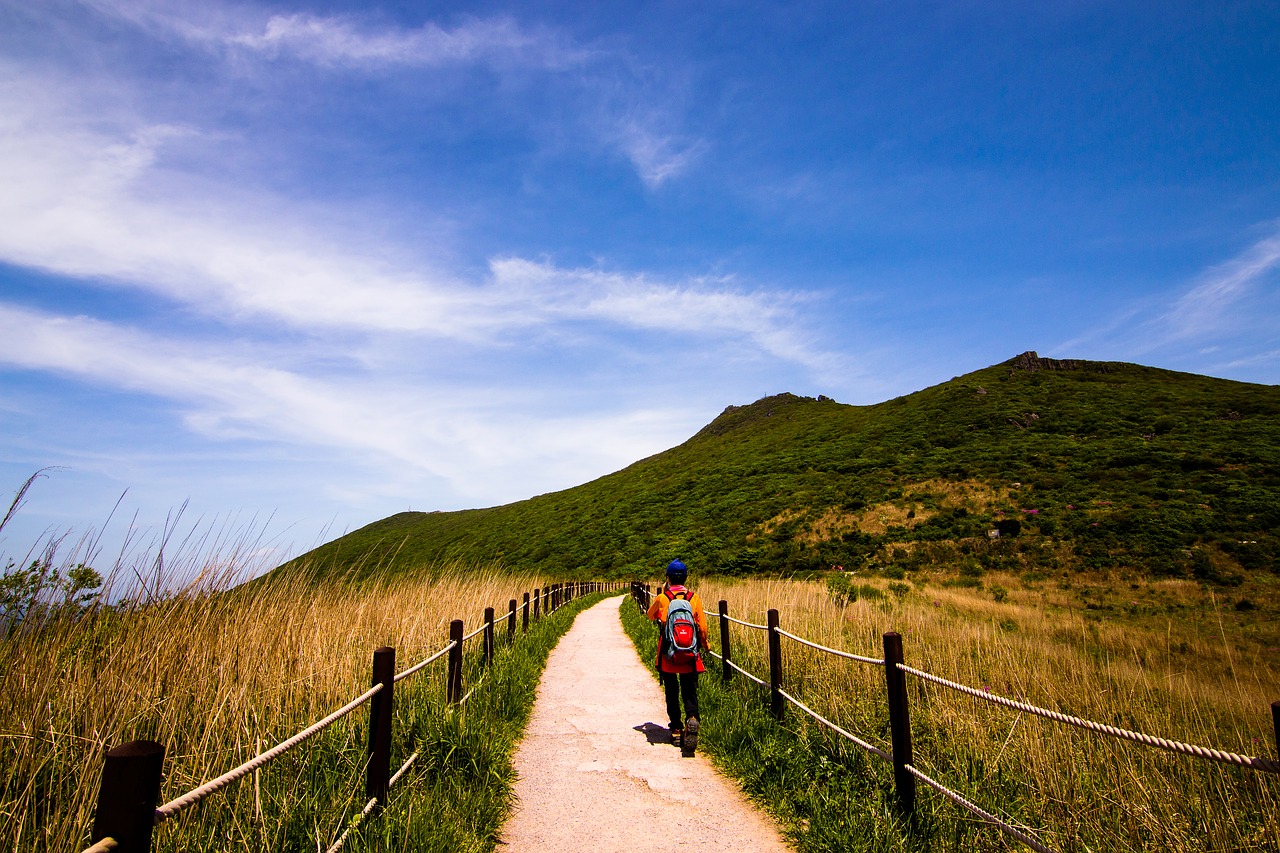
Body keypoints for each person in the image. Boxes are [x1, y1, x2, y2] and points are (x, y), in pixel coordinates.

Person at [646, 559, 711, 755]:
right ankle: (692, 718)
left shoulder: (663, 598)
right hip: (690, 654)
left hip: (668, 654)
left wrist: (661, 612)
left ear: (668, 577)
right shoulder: (693, 598)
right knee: (689, 690)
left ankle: (675, 728)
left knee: (672, 692)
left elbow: (650, 615)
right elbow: (703, 627)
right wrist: (705, 645)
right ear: (685, 577)